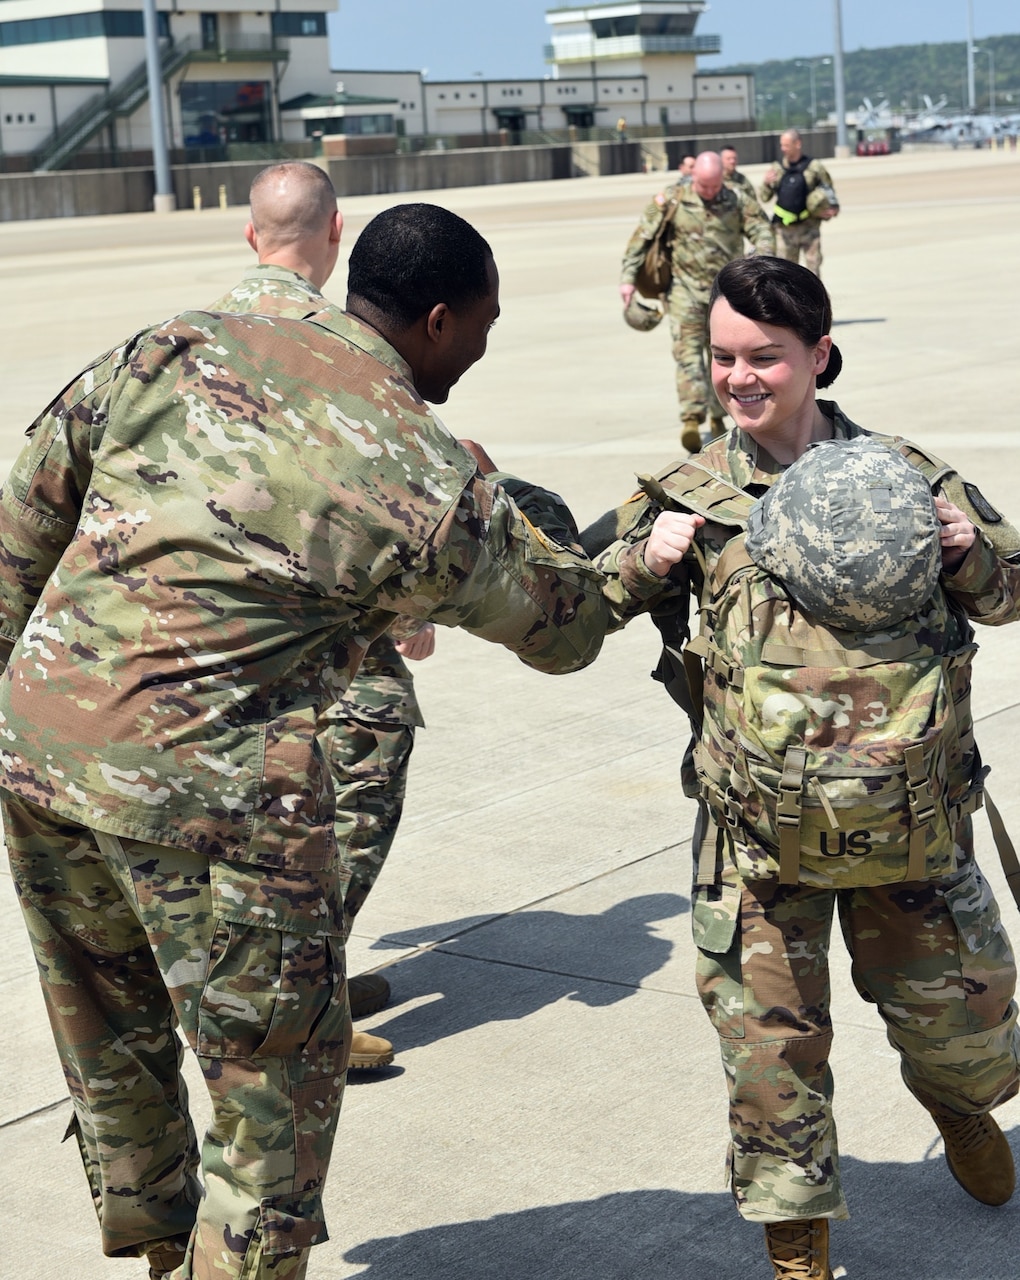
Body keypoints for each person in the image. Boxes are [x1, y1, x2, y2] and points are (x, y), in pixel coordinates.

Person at [0, 201, 692, 1280]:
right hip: (208, 795)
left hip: (44, 751)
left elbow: (24, 526)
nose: (480, 346)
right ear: (434, 319)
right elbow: (561, 631)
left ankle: (158, 1246)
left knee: (111, 1036)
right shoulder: (417, 459)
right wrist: (639, 562)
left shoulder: (173, 342)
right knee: (270, 1083)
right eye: (482, 325)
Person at [589, 255, 1020, 1280]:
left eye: (765, 357)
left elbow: (1012, 593)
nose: (740, 377)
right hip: (757, 844)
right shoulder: (683, 496)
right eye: (723, 356)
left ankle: (953, 1098)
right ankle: (799, 1234)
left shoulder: (909, 478)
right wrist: (642, 562)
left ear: (818, 356)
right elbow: (565, 621)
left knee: (980, 1040)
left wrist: (966, 553)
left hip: (909, 826)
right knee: (771, 1063)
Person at [209, 160, 434, 1071]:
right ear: (337, 235)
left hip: (224, 611)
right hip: (320, 608)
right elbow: (383, 492)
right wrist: (409, 607)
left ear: (250, 237)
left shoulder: (197, 337)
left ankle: (317, 974)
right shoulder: (343, 344)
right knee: (366, 769)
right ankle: (300, 1005)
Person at [619, 150, 774, 455]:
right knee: (687, 355)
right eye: (704, 186)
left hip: (727, 296)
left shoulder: (737, 198)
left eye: (715, 186)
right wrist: (628, 278)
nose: (710, 192)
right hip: (684, 292)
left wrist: (763, 259)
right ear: (693, 178)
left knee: (723, 358)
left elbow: (762, 229)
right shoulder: (672, 198)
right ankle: (692, 417)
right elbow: (642, 237)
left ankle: (718, 416)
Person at [758, 128, 839, 276]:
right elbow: (764, 197)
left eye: (787, 145)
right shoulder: (777, 169)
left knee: (813, 271)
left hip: (809, 227)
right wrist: (766, 183)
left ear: (798, 144)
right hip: (784, 231)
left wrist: (832, 209)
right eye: (782, 145)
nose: (783, 149)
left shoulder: (814, 167)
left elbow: (829, 191)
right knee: (785, 273)